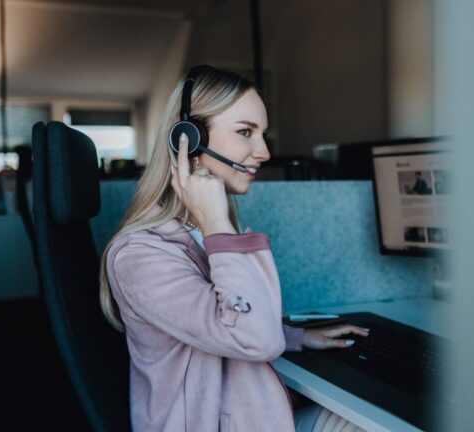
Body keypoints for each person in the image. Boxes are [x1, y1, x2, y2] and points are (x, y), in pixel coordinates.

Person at [99, 66, 369, 432]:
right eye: (245, 132)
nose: (263, 152)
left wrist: (299, 337)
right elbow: (254, 338)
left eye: (262, 134)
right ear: (188, 138)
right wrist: (218, 228)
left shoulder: (205, 231)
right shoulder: (140, 257)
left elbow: (222, 318)